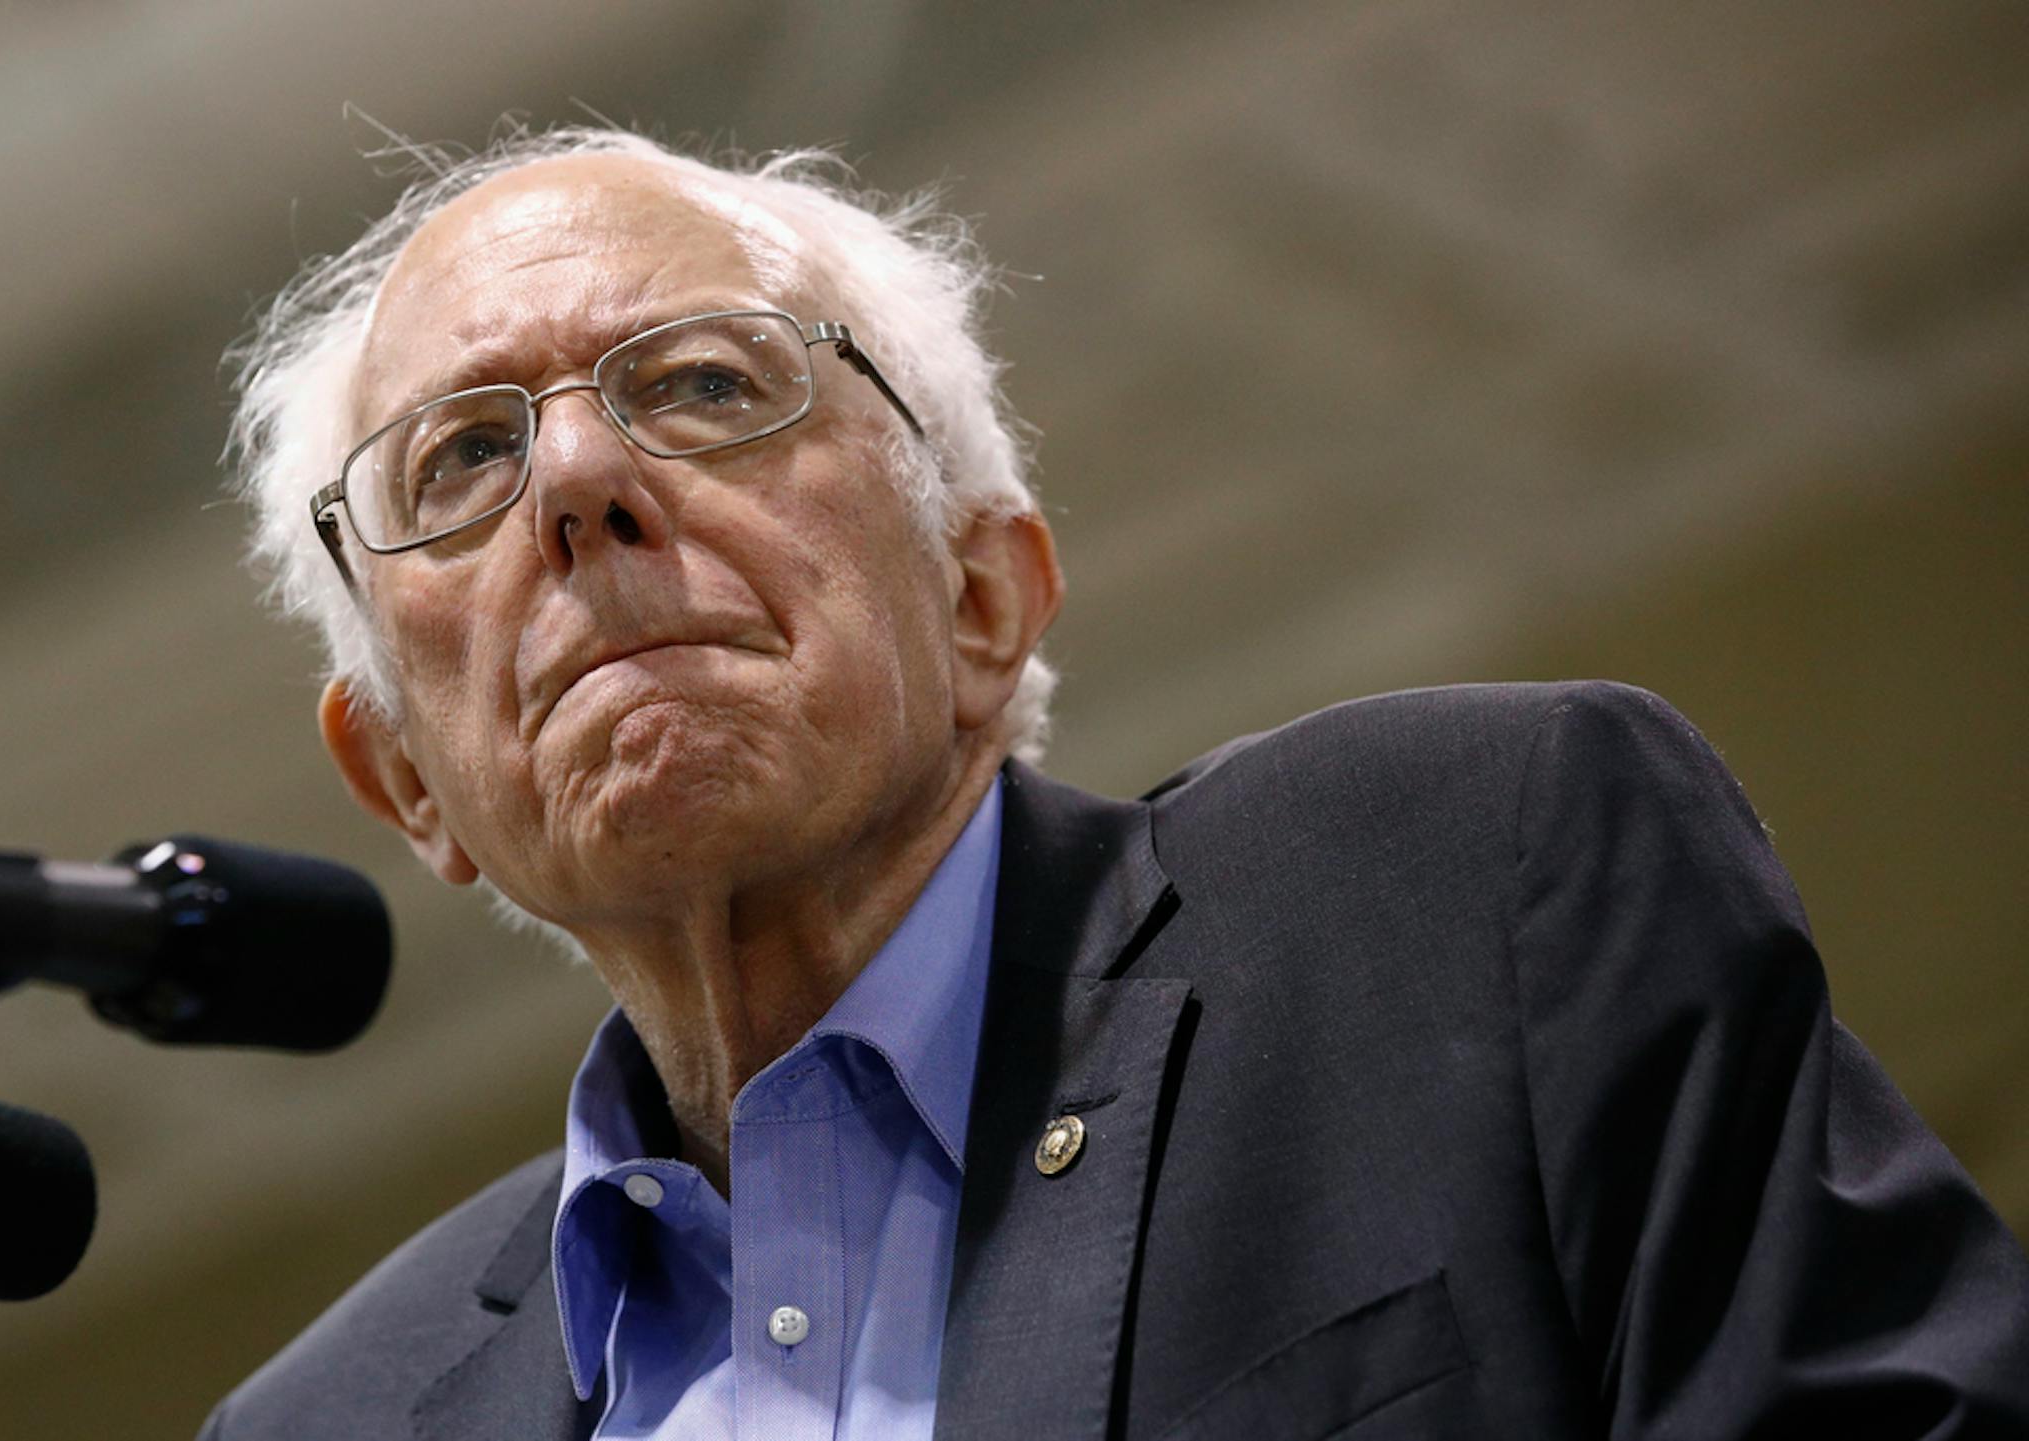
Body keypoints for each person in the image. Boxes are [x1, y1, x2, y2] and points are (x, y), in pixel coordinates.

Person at [202, 126, 2029, 1439]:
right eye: (458, 460)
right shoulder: (328, 1416)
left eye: (699, 382)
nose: (580, 481)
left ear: (988, 591)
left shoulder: (1472, 883)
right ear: (407, 783)